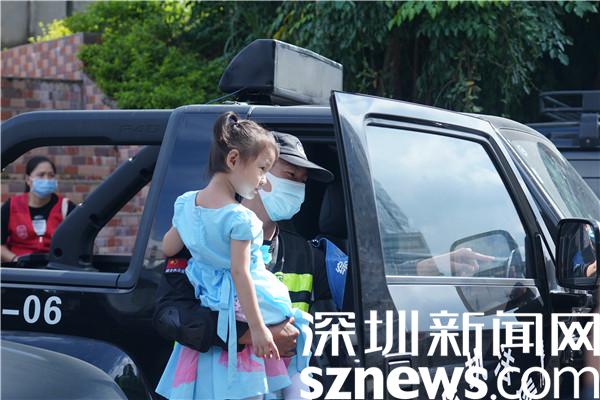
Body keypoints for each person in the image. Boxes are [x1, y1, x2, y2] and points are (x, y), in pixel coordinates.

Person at [155, 112, 313, 400]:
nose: (263, 182)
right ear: (233, 160)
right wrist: (257, 331)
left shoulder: (185, 204)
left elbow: (167, 247)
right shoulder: (241, 220)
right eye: (263, 170)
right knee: (299, 327)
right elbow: (241, 273)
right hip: (243, 309)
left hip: (210, 302)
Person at [1, 156, 76, 263]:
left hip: (54, 267)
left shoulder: (66, 207)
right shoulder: (12, 206)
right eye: (41, 175)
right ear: (28, 180)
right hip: (19, 268)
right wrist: (16, 260)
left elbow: (77, 243)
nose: (47, 179)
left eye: (51, 175)